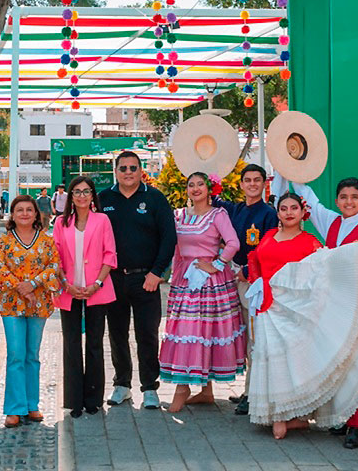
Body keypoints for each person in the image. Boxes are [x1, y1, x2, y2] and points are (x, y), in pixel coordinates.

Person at [246, 192, 358, 441]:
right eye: (283, 208)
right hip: (272, 307)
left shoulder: (315, 241)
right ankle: (281, 412)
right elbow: (256, 260)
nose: (288, 212)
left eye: (294, 208)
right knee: (274, 358)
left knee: (306, 359)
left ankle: (347, 422)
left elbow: (321, 273)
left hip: (304, 309)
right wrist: (258, 283)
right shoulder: (272, 235)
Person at [286, 175, 358, 448]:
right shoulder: (331, 222)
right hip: (335, 306)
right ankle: (346, 417)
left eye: (354, 197)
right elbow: (308, 195)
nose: (348, 202)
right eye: (343, 197)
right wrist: (291, 165)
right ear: (337, 200)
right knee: (341, 362)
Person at [159, 172, 244, 412]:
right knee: (188, 330)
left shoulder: (217, 215)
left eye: (200, 184)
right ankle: (204, 391)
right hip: (185, 280)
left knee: (200, 331)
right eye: (191, 184)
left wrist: (216, 264)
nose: (195, 188)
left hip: (209, 282)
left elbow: (233, 243)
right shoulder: (179, 215)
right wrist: (172, 275)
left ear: (209, 189)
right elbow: (175, 248)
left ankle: (184, 388)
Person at [100, 150, 176, 410]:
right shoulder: (104, 199)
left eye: (133, 168)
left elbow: (169, 238)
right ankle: (122, 385)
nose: (128, 172)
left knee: (148, 334)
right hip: (113, 279)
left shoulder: (154, 198)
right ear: (115, 171)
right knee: (117, 334)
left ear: (141, 171)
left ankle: (150, 387)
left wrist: (157, 273)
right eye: (123, 168)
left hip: (147, 279)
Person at [213, 163, 278, 415]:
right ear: (241, 184)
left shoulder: (269, 214)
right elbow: (214, 200)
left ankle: (254, 395)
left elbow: (270, 249)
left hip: (255, 283)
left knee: (255, 339)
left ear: (264, 184)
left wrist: (250, 272)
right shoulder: (237, 209)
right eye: (247, 180)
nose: (252, 184)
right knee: (244, 337)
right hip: (236, 279)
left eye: (256, 180)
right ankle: (250, 389)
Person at [0, 196, 62, 427]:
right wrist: (20, 287)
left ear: (36, 214)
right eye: (19, 210)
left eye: (29, 210)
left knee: (32, 354)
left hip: (38, 303)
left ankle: (32, 404)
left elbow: (54, 266)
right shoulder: (3, 242)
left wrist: (32, 285)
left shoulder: (46, 241)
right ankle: (14, 408)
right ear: (12, 214)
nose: (24, 213)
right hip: (11, 303)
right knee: (16, 353)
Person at [52, 176, 116, 418]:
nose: (81, 196)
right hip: (69, 290)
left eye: (86, 191)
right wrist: (65, 284)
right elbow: (55, 256)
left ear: (92, 195)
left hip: (96, 289)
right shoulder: (61, 222)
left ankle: (93, 399)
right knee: (71, 344)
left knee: (95, 343)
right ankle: (74, 400)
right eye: (77, 191)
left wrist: (97, 283)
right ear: (70, 196)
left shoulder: (102, 220)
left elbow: (110, 254)